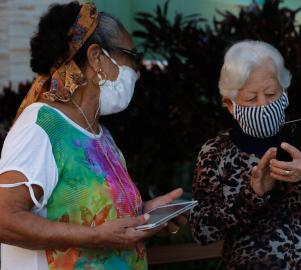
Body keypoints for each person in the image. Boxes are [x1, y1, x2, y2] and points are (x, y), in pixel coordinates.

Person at [0, 2, 186, 269]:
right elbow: (5, 218)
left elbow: (96, 218)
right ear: (97, 57)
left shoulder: (100, 135)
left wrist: (145, 215)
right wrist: (96, 238)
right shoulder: (42, 128)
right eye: (131, 56)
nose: (137, 69)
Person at [190, 40, 301, 270]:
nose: (263, 104)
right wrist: (253, 193)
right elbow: (202, 231)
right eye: (251, 98)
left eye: (271, 93)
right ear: (230, 105)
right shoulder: (216, 151)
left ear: (284, 92)